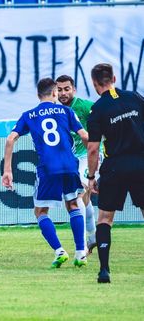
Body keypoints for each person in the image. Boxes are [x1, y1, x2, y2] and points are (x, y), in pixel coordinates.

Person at [2, 78, 89, 268]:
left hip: (48, 168)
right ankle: (81, 253)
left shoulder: (29, 115)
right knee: (73, 204)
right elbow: (84, 136)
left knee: (40, 211)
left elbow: (10, 139)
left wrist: (7, 170)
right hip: (70, 165)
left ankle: (60, 251)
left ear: (38, 95)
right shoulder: (66, 111)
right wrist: (92, 162)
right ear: (55, 93)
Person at [86, 63, 144, 283]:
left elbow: (93, 148)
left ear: (94, 83)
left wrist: (91, 177)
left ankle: (104, 270)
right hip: (140, 162)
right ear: (114, 78)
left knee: (105, 218)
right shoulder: (135, 97)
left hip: (114, 167)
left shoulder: (97, 109)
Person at [55, 75, 98, 253]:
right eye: (59, 89)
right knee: (84, 198)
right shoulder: (55, 110)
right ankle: (93, 237)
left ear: (74, 89)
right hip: (70, 161)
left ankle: (82, 247)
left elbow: (105, 120)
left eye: (67, 89)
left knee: (77, 195)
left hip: (89, 156)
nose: (63, 93)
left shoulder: (85, 106)